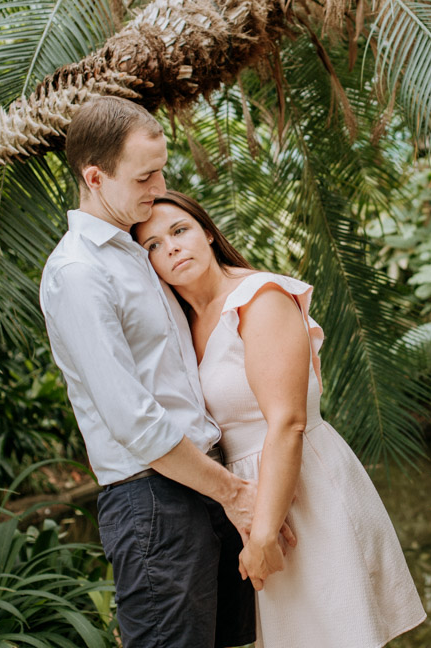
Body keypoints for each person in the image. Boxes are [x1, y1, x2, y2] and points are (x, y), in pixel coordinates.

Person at [40, 97, 291, 648]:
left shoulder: (136, 249)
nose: (158, 185)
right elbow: (133, 420)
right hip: (153, 500)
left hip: (206, 486)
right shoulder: (78, 273)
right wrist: (235, 493)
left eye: (161, 170)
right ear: (95, 177)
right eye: (145, 175)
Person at [134, 190, 427, 648]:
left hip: (302, 486)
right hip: (244, 498)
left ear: (208, 233)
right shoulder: (181, 323)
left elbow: (288, 422)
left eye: (178, 230)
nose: (169, 247)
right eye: (152, 244)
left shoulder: (259, 296)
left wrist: (265, 533)